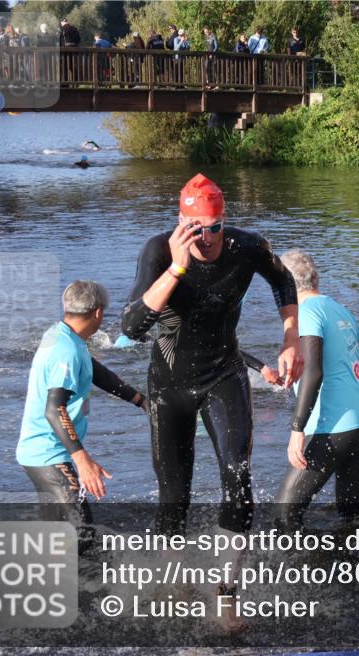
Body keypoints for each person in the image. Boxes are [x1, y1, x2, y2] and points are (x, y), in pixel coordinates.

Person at [121, 173, 301, 537]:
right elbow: (131, 327)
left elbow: (283, 279)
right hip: (168, 386)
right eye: (194, 228)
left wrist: (291, 338)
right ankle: (171, 580)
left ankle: (227, 584)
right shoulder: (158, 251)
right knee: (174, 495)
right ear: (180, 224)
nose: (205, 238)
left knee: (238, 474)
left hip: (223, 373)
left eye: (214, 227)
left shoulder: (246, 247)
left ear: (224, 220)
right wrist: (177, 267)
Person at [17, 281, 146, 553]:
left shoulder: (62, 335)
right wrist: (82, 459)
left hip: (43, 451)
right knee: (81, 535)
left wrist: (141, 401)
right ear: (98, 312)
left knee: (62, 535)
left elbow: (94, 371)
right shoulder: (66, 350)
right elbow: (54, 409)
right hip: (48, 453)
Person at [274, 249, 359, 529]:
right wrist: (355, 408)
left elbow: (314, 371)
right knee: (352, 518)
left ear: (286, 285)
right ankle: (357, 567)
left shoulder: (306, 312)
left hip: (331, 429)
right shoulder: (341, 309)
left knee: (285, 515)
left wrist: (297, 430)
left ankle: (298, 571)